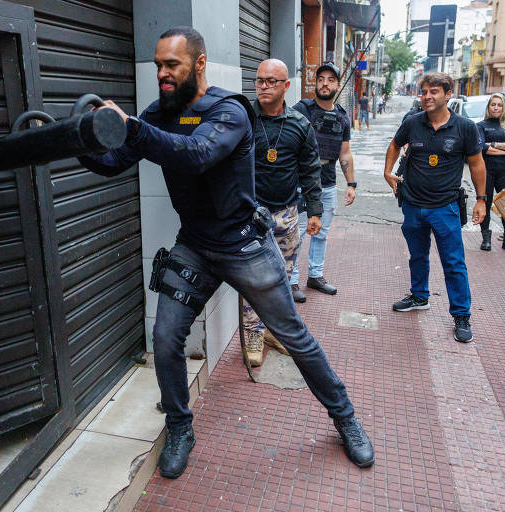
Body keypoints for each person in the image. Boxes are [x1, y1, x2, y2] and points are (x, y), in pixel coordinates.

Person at [77, 27, 375, 478]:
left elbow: (196, 154)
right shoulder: (160, 113)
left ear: (198, 65)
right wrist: (71, 141)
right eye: (158, 65)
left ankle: (345, 418)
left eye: (171, 65)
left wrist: (134, 128)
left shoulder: (229, 111)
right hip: (195, 246)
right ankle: (180, 426)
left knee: (295, 338)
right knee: (165, 338)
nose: (162, 73)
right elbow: (114, 160)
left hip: (244, 245)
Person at [383, 72, 487, 343]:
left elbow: (476, 164)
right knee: (417, 256)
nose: (427, 96)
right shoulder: (413, 123)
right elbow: (395, 145)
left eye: (434, 92)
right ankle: (419, 296)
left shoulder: (465, 127)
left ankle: (461, 315)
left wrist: (481, 199)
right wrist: (387, 172)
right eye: (424, 92)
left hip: (446, 208)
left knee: (453, 263)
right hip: (414, 205)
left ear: (448, 94)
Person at [240, 58, 323, 366]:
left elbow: (310, 169)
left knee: (282, 279)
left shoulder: (299, 124)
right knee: (252, 281)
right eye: (260, 80)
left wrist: (314, 210)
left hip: (287, 215)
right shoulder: (244, 118)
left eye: (271, 81)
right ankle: (252, 335)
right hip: (250, 217)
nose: (264, 86)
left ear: (286, 86)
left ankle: (273, 331)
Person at [291, 63, 357, 298]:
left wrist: (351, 184)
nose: (325, 83)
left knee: (321, 232)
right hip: (300, 182)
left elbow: (345, 152)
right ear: (315, 83)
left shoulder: (341, 117)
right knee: (296, 232)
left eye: (330, 80)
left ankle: (315, 276)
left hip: (327, 182)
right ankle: (291, 280)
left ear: (338, 85)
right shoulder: (301, 109)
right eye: (321, 79)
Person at [476, 94, 505, 253]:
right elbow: (482, 147)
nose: (496, 107)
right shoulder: (481, 126)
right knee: (486, 203)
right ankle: (485, 239)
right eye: (493, 105)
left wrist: (494, 145)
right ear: (488, 107)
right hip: (486, 171)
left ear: (504, 108)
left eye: (499, 105)